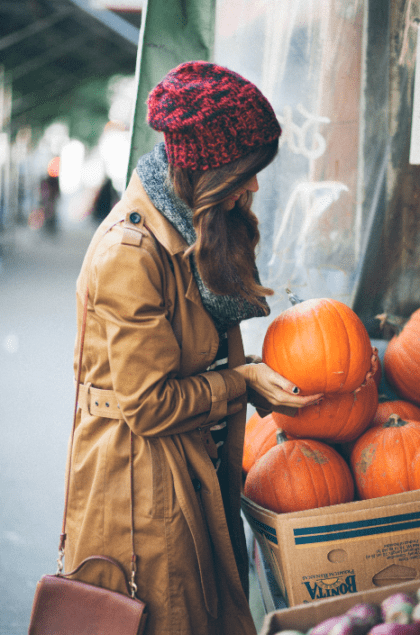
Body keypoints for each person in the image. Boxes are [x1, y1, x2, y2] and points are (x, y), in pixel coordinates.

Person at [64, 61, 323, 635]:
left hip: (192, 468)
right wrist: (243, 381)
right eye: (244, 173)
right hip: (143, 486)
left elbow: (194, 356)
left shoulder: (189, 227)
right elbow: (149, 403)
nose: (253, 186)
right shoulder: (130, 252)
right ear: (207, 170)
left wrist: (248, 375)